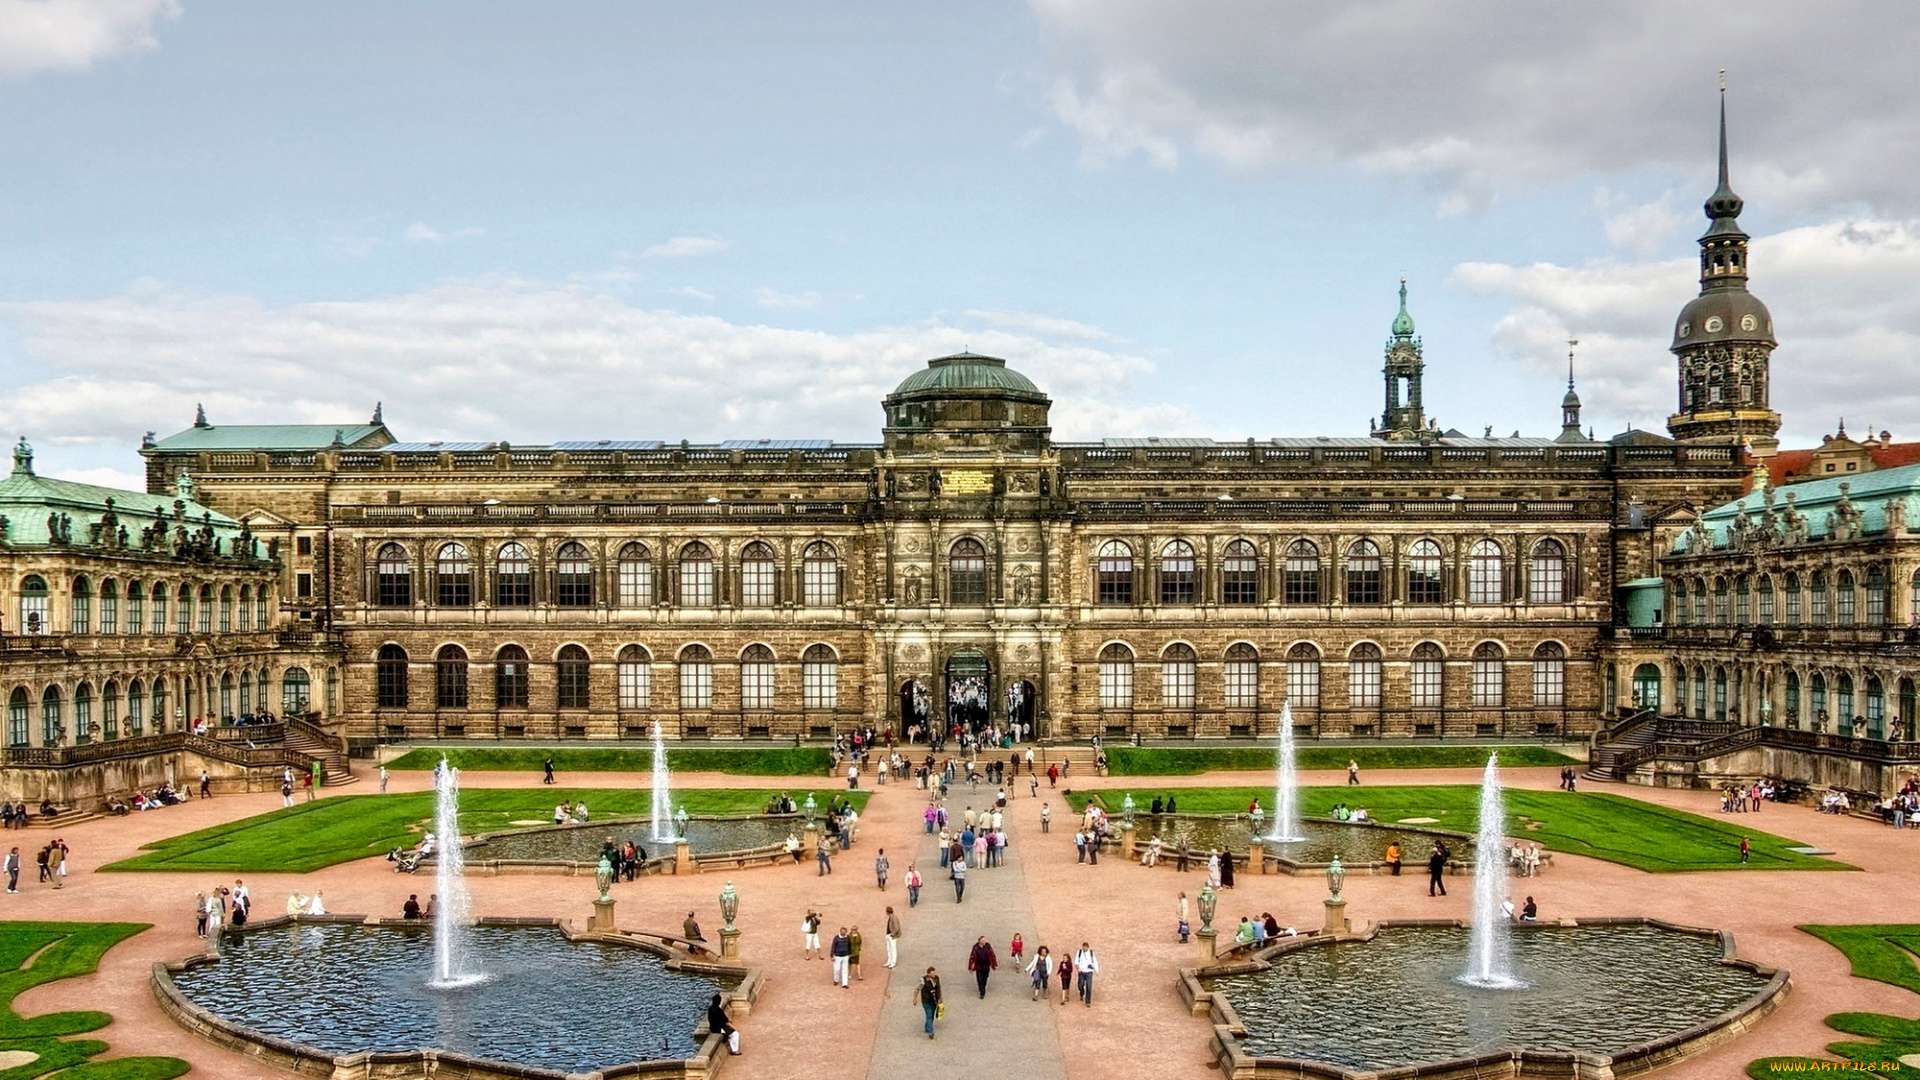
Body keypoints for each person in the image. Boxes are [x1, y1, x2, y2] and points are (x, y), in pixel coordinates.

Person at [914, 967, 943, 1039]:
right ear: (928, 974)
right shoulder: (923, 980)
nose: (934, 974)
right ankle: (931, 1032)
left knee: (932, 1015)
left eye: (934, 972)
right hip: (926, 1001)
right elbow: (917, 989)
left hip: (934, 1001)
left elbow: (939, 988)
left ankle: (927, 1027)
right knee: (929, 1014)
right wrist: (915, 998)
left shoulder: (937, 979)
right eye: (932, 973)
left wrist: (940, 998)